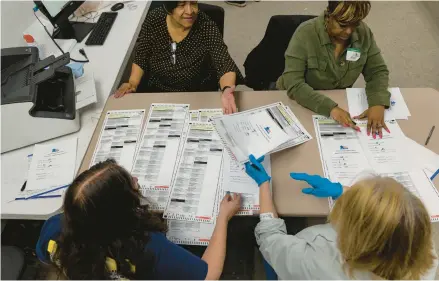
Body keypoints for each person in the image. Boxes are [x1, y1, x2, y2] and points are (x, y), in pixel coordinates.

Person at [36, 159, 241, 279]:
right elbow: (208, 275)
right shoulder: (146, 246)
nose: (136, 180)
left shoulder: (53, 228)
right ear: (120, 211)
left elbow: (44, 256)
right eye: (130, 184)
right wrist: (222, 218)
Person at [244, 155, 438, 279]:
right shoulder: (420, 247)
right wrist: (341, 191)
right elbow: (389, 218)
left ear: (355, 237)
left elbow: (271, 239)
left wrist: (263, 185)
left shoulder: (314, 263)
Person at [277, 1, 391, 139]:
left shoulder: (363, 33)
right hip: (298, 101)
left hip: (338, 101)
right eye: (342, 25)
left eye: (355, 24)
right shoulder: (305, 34)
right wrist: (331, 109)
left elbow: (377, 71)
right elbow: (294, 85)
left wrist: (377, 103)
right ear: (329, 15)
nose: (349, 31)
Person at [115, 1, 243, 115]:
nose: (190, 11)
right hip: (158, 90)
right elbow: (142, 56)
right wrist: (132, 82)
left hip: (194, 94)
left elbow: (223, 61)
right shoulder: (154, 19)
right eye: (181, 5)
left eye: (193, 3)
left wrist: (227, 90)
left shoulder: (205, 25)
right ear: (168, 8)